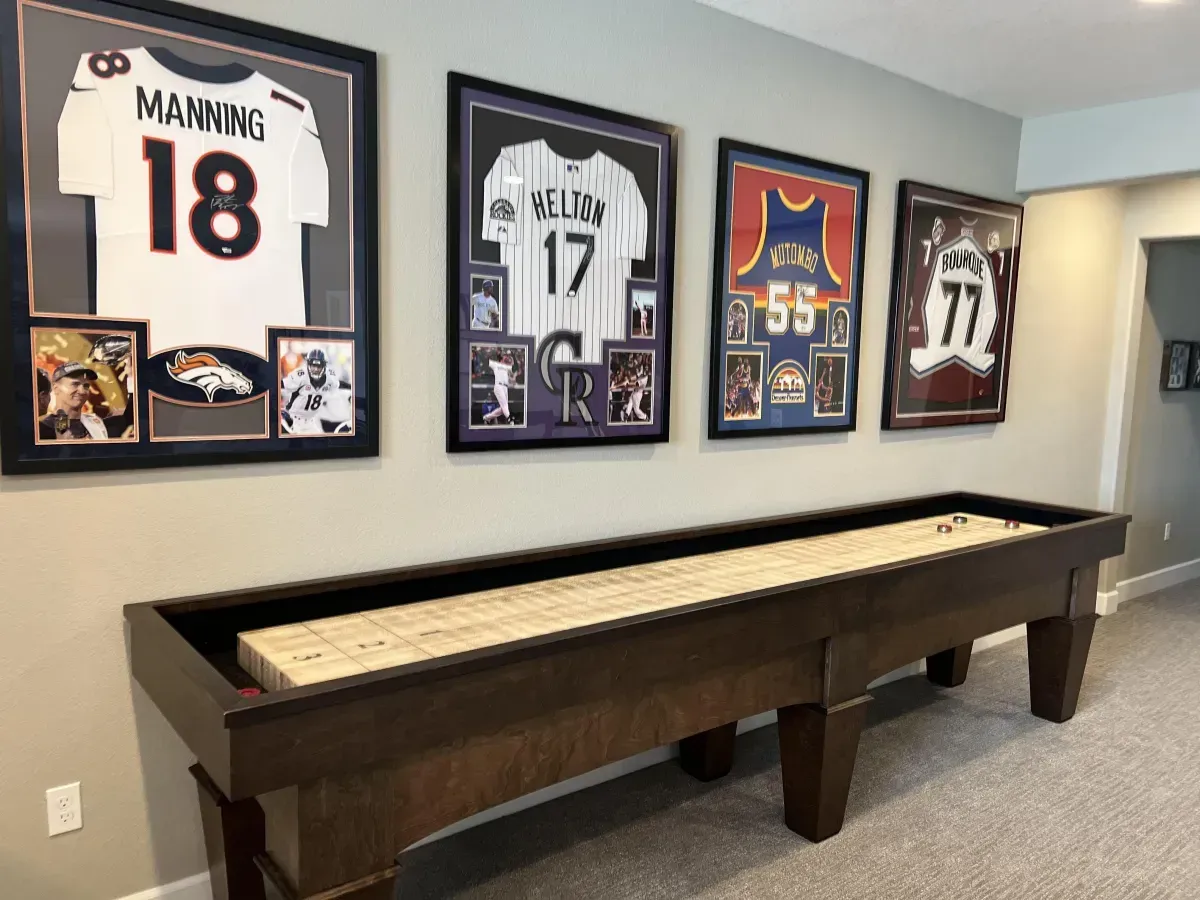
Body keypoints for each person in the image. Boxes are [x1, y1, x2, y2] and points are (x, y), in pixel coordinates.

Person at [38, 361, 122, 440]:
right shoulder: (42, 430)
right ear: (56, 388)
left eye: (86, 386)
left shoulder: (96, 423)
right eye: (75, 384)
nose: (82, 391)